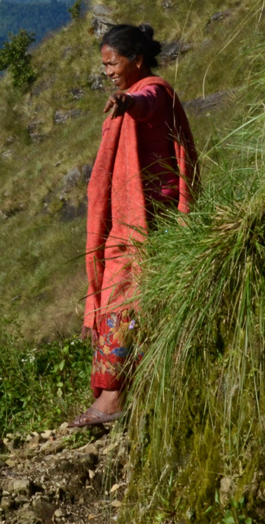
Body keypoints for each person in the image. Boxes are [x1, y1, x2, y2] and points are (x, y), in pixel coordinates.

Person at [71, 23, 198, 428]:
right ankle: (125, 389)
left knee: (127, 297)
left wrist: (126, 103)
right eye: (104, 65)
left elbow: (144, 103)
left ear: (137, 60)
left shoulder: (153, 90)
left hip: (150, 220)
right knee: (123, 297)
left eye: (113, 63)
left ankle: (114, 398)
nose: (107, 71)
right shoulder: (140, 90)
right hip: (129, 221)